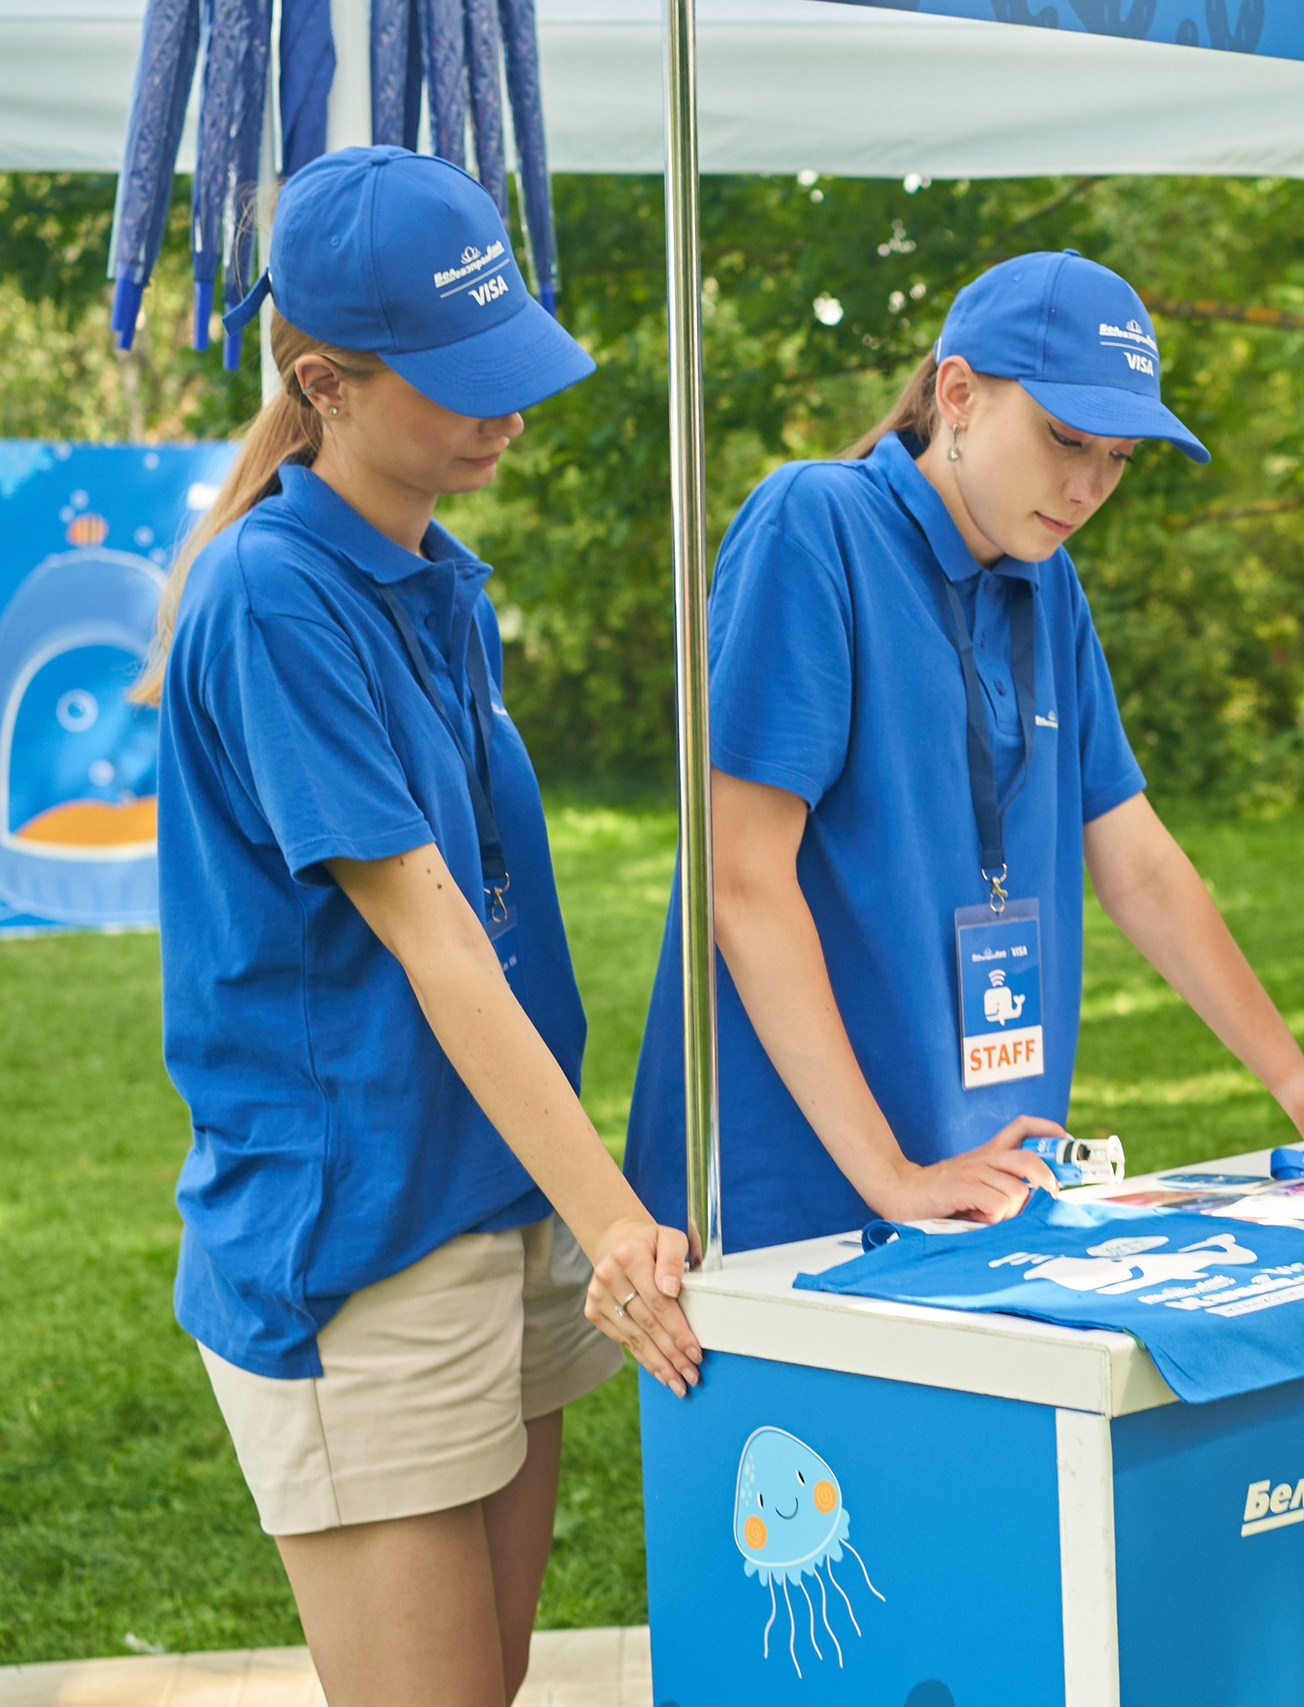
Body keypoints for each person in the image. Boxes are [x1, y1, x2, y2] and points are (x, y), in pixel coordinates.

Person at [139, 147, 700, 1707]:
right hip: (361, 1235)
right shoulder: (271, 596)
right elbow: (434, 927)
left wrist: (569, 1204)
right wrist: (617, 1219)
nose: (506, 410)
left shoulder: (437, 572)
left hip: (501, 1192)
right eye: (463, 381)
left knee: (489, 1679)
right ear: (325, 383)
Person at [622, 252, 1304, 1254]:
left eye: (1119, 458)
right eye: (1065, 439)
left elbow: (1134, 859)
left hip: (978, 1177)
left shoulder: (1047, 580)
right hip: (796, 1192)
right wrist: (891, 1175)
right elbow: (739, 880)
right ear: (956, 392)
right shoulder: (814, 524)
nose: (1090, 485)